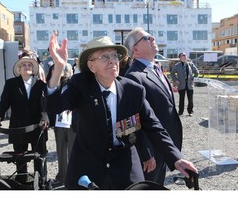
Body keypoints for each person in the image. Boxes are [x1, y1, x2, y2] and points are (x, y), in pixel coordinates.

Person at [46, 31, 198, 190]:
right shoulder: (81, 85)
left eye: (114, 56)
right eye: (104, 56)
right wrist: (58, 68)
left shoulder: (133, 90)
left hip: (126, 164)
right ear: (91, 66)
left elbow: (154, 126)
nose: (112, 60)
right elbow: (54, 106)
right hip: (88, 166)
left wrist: (176, 159)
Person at [124, 27, 183, 185]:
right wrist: (146, 153)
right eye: (146, 38)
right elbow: (132, 120)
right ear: (135, 49)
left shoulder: (156, 69)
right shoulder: (134, 76)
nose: (152, 39)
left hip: (163, 147)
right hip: (150, 154)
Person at [0, 55, 49, 183]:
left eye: (29, 65)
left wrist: (45, 118)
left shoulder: (40, 84)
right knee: (20, 159)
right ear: (19, 68)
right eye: (23, 65)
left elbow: (45, 105)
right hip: (18, 127)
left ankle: (40, 182)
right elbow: (3, 104)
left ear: (33, 69)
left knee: (39, 157)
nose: (27, 67)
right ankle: (21, 182)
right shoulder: (11, 84)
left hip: (37, 127)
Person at [46, 63, 76, 186]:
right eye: (54, 70)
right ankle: (62, 177)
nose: (56, 72)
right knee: (61, 151)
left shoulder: (73, 84)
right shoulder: (53, 85)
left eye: (59, 70)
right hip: (59, 124)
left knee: (73, 151)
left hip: (72, 123)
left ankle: (73, 177)